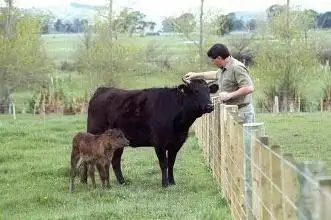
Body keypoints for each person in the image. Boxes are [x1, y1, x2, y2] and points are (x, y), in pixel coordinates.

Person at [184, 43, 255, 123]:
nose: (212, 62)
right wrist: (196, 75)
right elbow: (215, 74)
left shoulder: (237, 67)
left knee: (243, 136)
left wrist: (229, 95)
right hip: (231, 111)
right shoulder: (224, 68)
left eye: (213, 59)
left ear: (219, 58)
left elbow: (249, 88)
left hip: (241, 112)